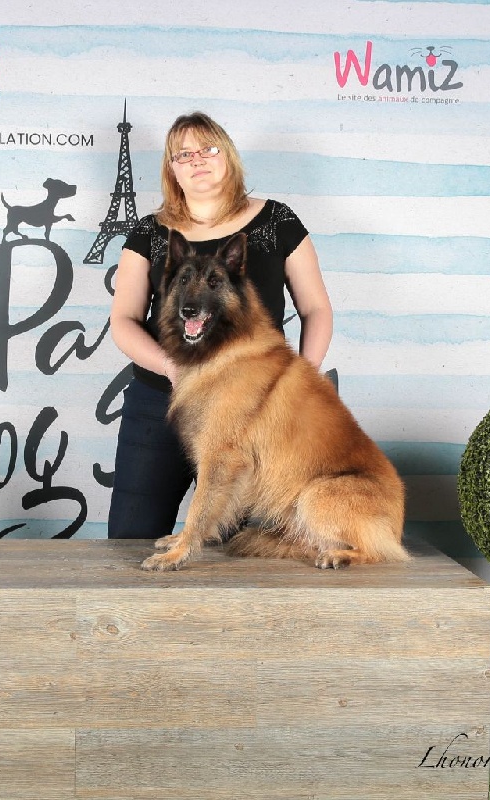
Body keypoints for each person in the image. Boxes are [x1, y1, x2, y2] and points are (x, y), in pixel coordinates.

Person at [108, 111, 333, 539]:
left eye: (208, 149)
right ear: (172, 169)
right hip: (160, 402)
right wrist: (173, 369)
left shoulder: (278, 221)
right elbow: (123, 320)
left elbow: (316, 309)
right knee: (130, 538)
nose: (197, 160)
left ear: (227, 155)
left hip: (252, 405)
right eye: (183, 154)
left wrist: (301, 379)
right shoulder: (148, 232)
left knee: (241, 546)